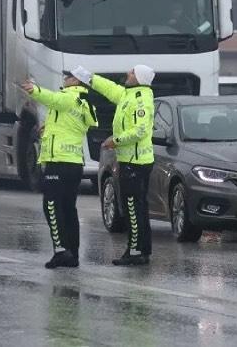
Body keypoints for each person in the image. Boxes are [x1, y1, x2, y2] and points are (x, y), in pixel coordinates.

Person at [71, 65, 156, 266]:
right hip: (131, 161)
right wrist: (87, 76)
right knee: (138, 207)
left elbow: (141, 130)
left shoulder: (141, 100)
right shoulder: (129, 94)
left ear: (140, 78)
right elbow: (108, 88)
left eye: (132, 72)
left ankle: (135, 251)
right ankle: (142, 249)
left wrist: (115, 141)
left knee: (132, 208)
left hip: (135, 163)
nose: (128, 73)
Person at [21, 70, 98, 269]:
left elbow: (52, 99)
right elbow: (70, 125)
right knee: (68, 209)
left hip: (58, 162)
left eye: (69, 77)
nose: (65, 79)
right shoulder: (84, 103)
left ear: (77, 81)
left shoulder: (68, 97)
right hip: (73, 163)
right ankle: (73, 254)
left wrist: (34, 90)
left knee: (51, 206)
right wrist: (49, 128)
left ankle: (61, 250)